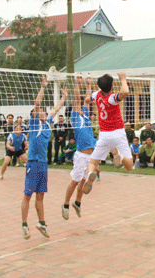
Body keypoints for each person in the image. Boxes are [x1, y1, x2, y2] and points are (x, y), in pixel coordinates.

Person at [21, 75, 67, 239]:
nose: (42, 111)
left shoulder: (47, 122)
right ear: (34, 114)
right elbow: (37, 103)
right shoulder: (34, 123)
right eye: (39, 111)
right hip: (32, 163)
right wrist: (43, 87)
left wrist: (64, 96)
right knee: (28, 195)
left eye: (43, 111)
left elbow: (56, 108)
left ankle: (42, 223)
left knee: (40, 196)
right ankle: (24, 225)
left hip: (43, 164)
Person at [83, 72, 133, 194]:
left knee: (92, 163)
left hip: (104, 135)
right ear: (111, 86)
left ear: (100, 87)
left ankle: (90, 174)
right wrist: (123, 79)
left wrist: (92, 93)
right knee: (129, 166)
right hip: (117, 133)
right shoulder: (112, 99)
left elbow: (87, 100)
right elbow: (125, 92)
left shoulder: (97, 95)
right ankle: (120, 157)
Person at [62, 75, 98, 220]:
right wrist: (77, 84)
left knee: (83, 181)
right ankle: (65, 204)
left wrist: (88, 84)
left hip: (90, 156)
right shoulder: (75, 118)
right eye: (78, 108)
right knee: (75, 181)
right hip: (81, 155)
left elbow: (87, 100)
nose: (81, 108)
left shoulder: (87, 116)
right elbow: (78, 100)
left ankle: (77, 203)